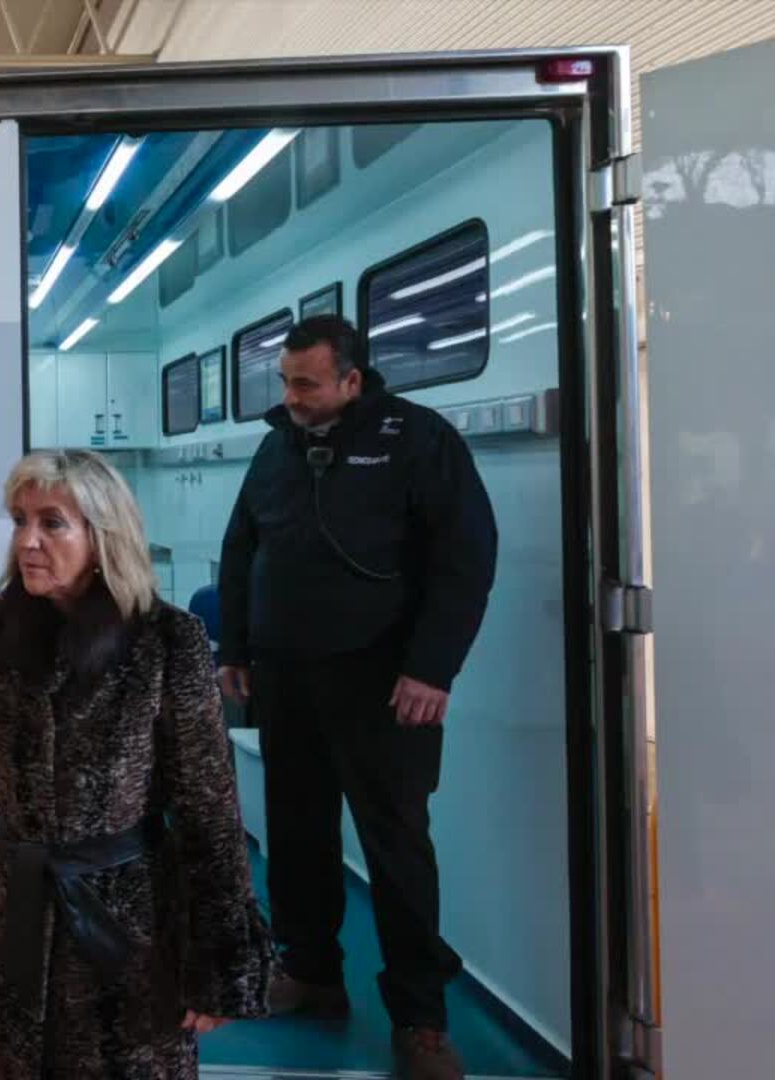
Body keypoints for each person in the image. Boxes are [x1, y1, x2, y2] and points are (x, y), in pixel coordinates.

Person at [0, 449, 273, 1080]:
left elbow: (207, 806)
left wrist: (220, 961)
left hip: (125, 917)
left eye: (51, 523)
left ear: (102, 535)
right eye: (19, 521)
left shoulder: (164, 640)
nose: (27, 542)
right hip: (3, 902)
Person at [216, 314, 497, 1080]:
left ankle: (421, 1019)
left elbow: (465, 558)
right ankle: (310, 975)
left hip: (387, 686)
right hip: (288, 677)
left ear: (352, 379)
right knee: (297, 834)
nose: (292, 396)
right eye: (286, 381)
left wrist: (433, 667)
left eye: (306, 383)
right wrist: (236, 648)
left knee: (396, 845)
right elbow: (243, 546)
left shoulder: (418, 438)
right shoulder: (280, 446)